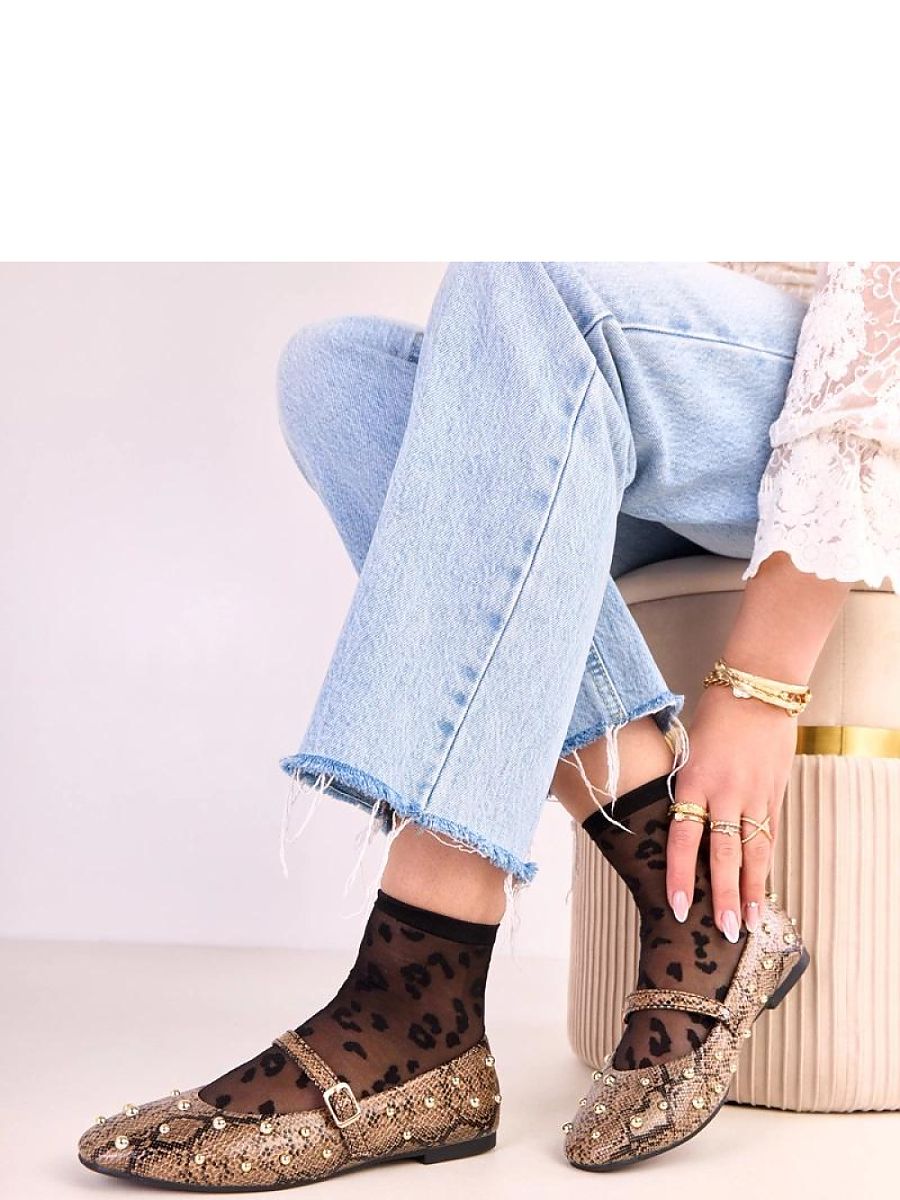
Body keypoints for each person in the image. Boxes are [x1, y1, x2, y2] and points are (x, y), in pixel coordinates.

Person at [78, 261, 899, 1185]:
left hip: (856, 376)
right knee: (337, 374)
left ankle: (417, 985)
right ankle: (678, 871)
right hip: (685, 415)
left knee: (523, 275)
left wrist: (760, 685)